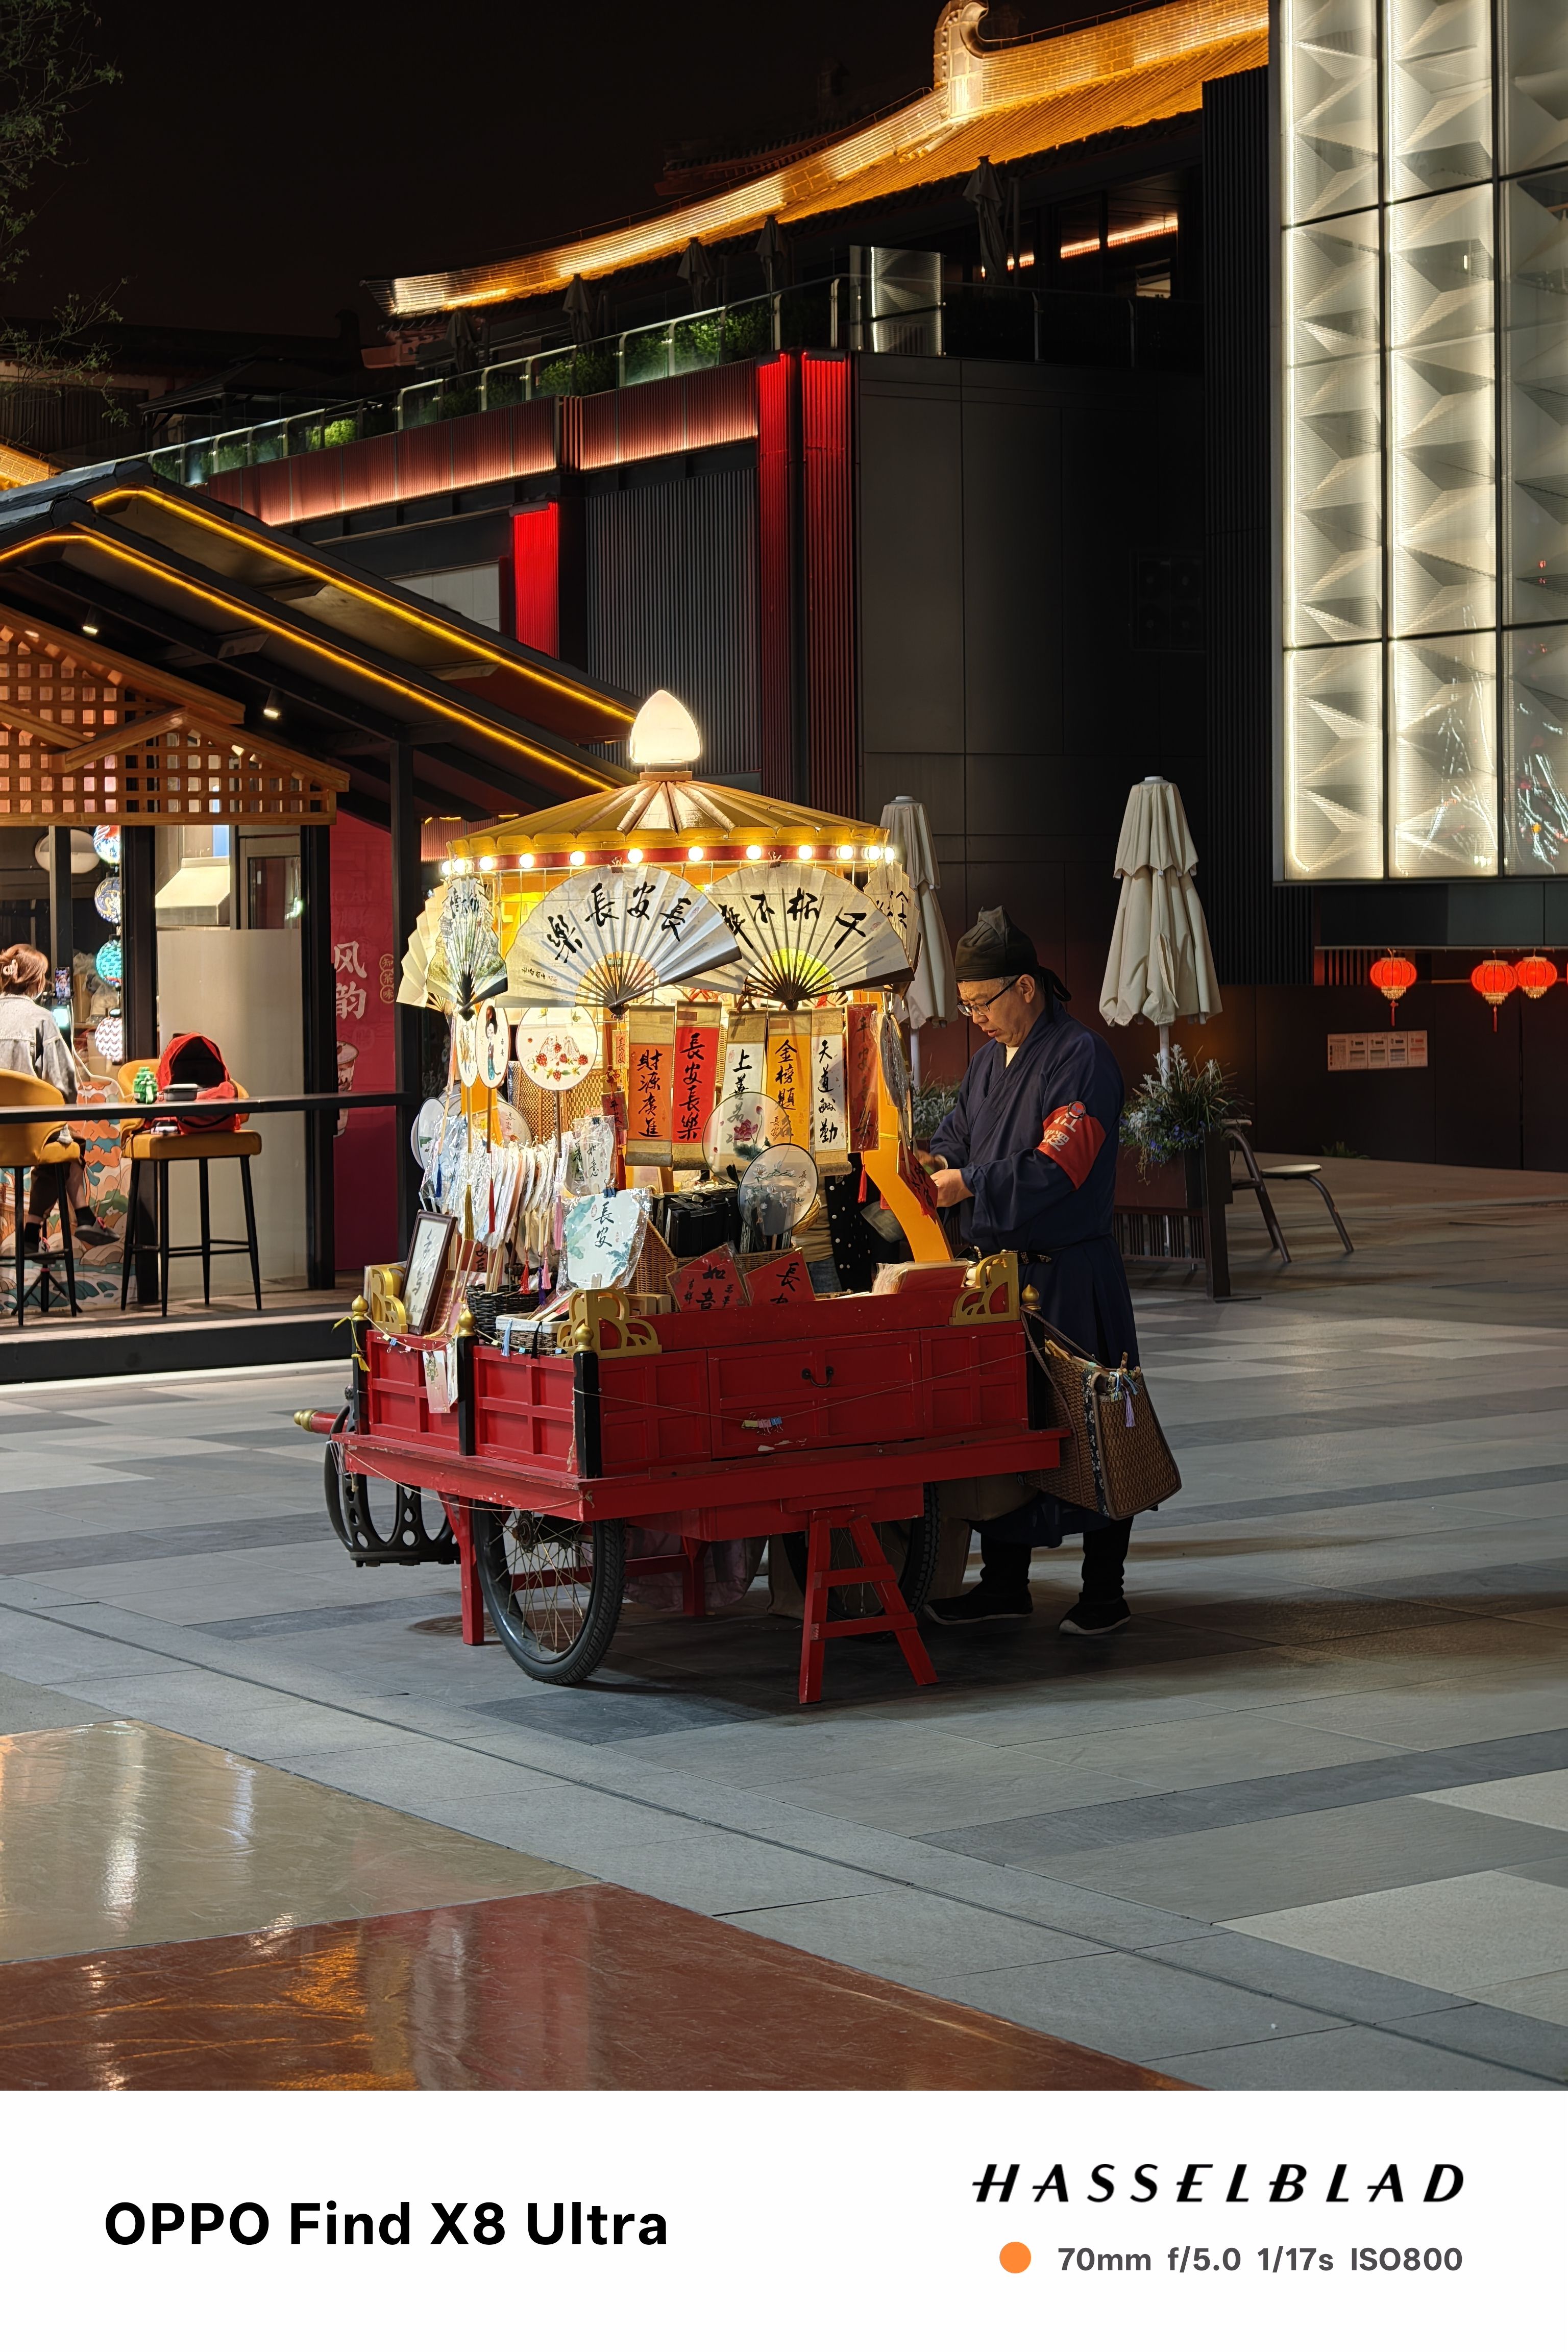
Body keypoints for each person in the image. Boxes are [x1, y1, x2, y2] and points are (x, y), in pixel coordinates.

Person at [923, 906, 1138, 1637]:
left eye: (983, 1004)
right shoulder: (988, 1062)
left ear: (1026, 987)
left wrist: (972, 1184)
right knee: (1003, 1427)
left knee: (1094, 1427)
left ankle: (1104, 1591)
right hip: (1000, 1278)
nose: (976, 1019)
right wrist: (935, 1165)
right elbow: (956, 1136)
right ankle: (1003, 1581)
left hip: (1073, 1274)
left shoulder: (1083, 1058)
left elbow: (1061, 1165)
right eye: (966, 1008)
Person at [0, 943, 115, 1254]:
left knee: (61, 1142)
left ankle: (36, 1232)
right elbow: (65, 1089)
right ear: (37, 981)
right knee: (64, 1142)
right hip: (29, 1137)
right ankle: (76, 1217)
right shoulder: (41, 1020)